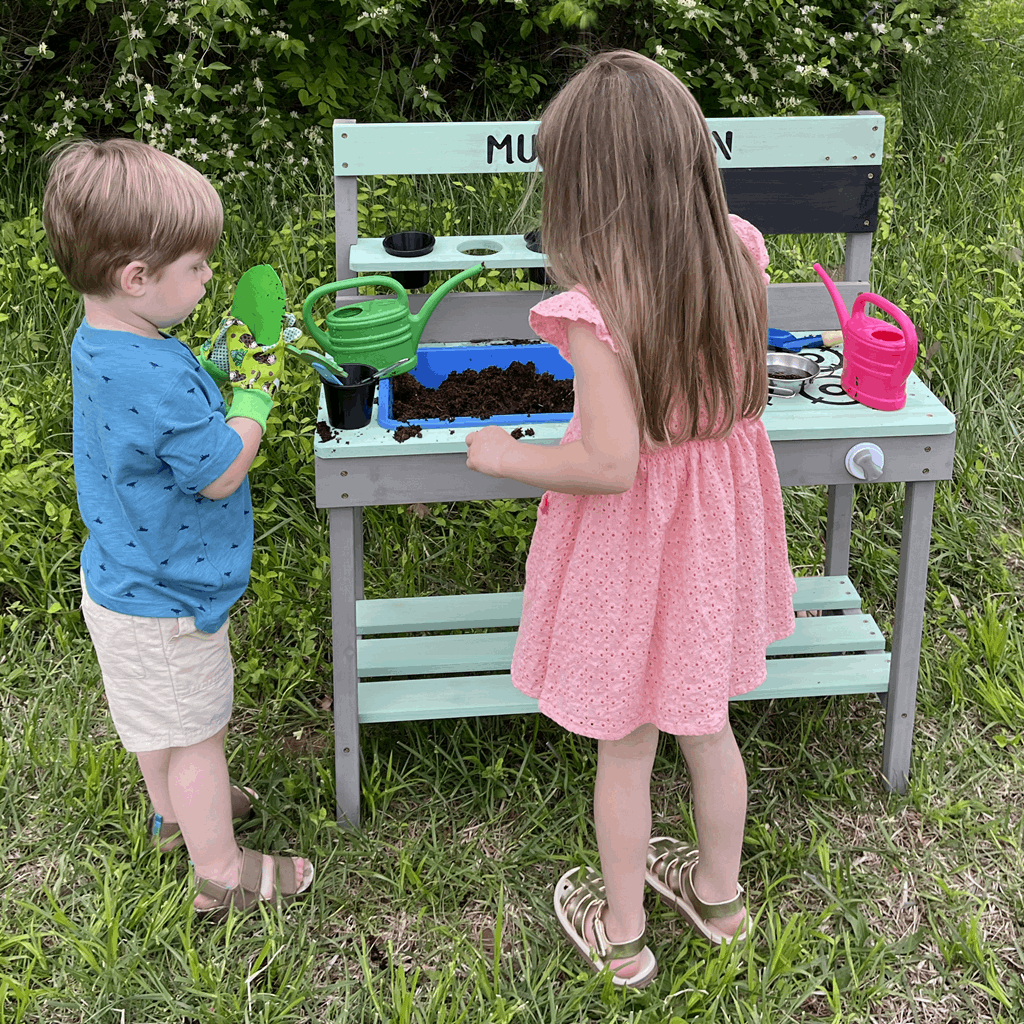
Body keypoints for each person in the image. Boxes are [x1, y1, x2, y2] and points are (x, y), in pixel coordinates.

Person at [465, 51, 796, 987]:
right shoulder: (739, 250)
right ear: (692, 156)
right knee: (707, 722)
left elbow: (609, 465)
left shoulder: (594, 312)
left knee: (626, 742)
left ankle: (623, 935)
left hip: (635, 543)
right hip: (715, 529)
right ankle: (721, 902)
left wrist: (505, 454)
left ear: (581, 188)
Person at [43, 138, 313, 921]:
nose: (207, 280)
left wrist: (217, 358)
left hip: (121, 580)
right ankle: (223, 872)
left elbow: (159, 415)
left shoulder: (107, 340)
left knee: (156, 724)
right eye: (196, 268)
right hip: (170, 598)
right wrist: (254, 397)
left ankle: (173, 819)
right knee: (197, 736)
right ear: (136, 278)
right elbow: (221, 467)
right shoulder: (155, 372)